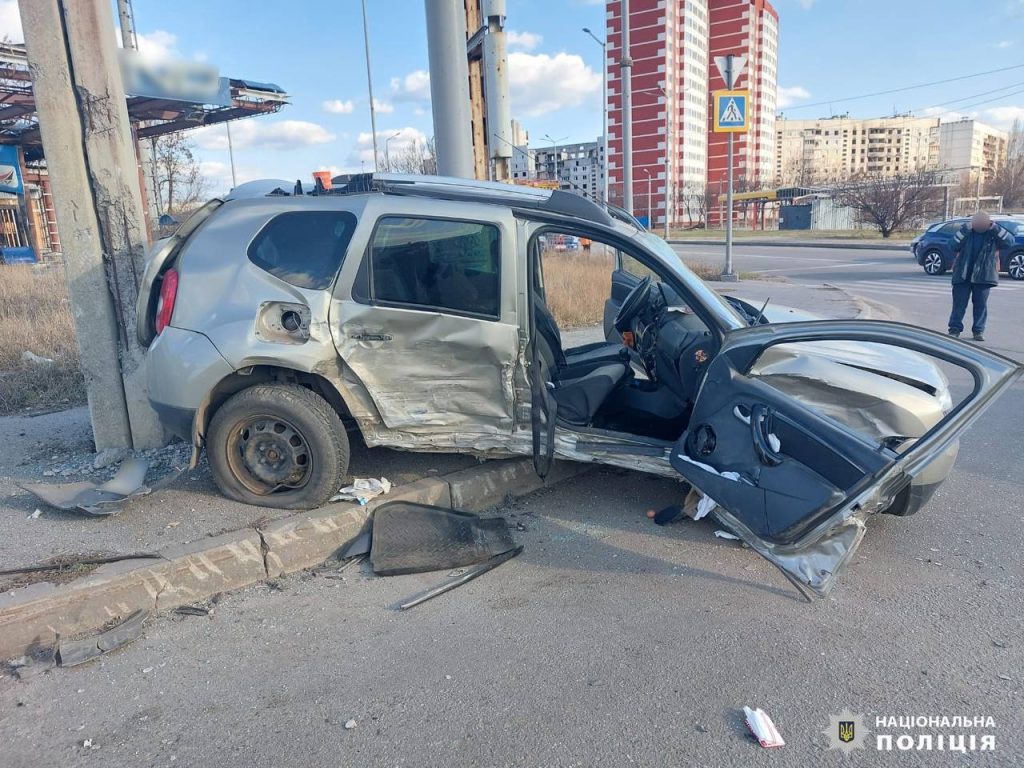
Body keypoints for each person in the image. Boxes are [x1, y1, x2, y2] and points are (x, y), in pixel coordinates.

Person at [947, 211, 1013, 341]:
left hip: (983, 276)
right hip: (963, 274)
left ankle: (978, 331)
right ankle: (954, 330)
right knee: (959, 305)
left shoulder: (993, 234)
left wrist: (995, 227)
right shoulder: (966, 231)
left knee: (980, 305)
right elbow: (952, 245)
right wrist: (966, 229)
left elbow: (1009, 242)